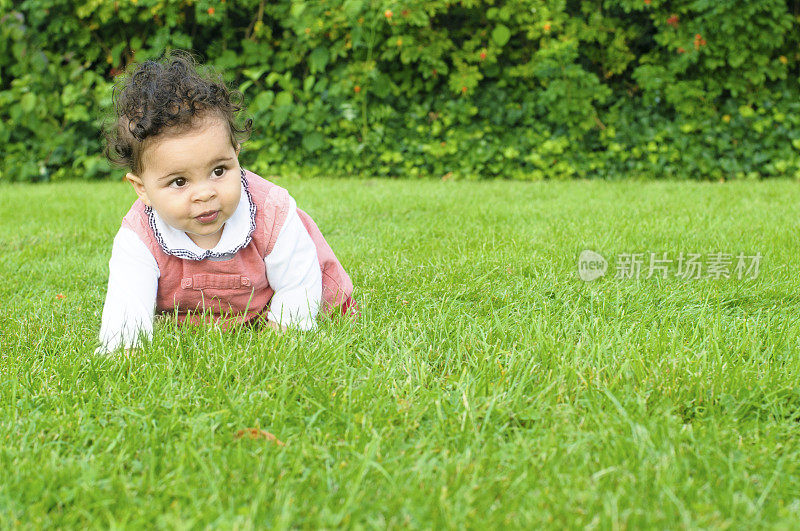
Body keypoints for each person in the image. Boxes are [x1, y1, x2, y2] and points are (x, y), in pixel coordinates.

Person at [98, 50, 356, 354]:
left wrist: (284, 333)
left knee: (321, 293)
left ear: (236, 152)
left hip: (268, 299)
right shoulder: (139, 236)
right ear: (142, 189)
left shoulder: (271, 213)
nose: (205, 193)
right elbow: (126, 311)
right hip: (194, 316)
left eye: (219, 171)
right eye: (179, 182)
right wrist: (125, 351)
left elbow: (299, 282)